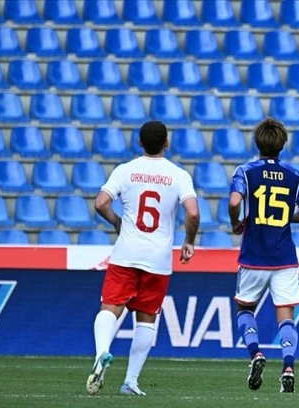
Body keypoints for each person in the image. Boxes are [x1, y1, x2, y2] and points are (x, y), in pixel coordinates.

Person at [87, 121, 200, 396]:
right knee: (147, 320)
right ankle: (130, 382)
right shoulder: (178, 175)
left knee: (109, 309)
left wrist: (117, 222)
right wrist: (188, 241)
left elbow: (100, 202)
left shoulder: (125, 170)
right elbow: (193, 213)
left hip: (126, 253)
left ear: (139, 143)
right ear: (167, 143)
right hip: (158, 259)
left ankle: (102, 353)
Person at [229, 118, 299, 393]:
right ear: (282, 145)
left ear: (257, 143)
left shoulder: (245, 171)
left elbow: (234, 202)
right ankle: (288, 367)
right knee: (286, 315)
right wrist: (287, 218)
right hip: (284, 258)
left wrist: (237, 221)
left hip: (254, 255)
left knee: (245, 309)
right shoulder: (294, 175)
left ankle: (255, 353)